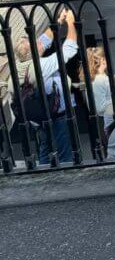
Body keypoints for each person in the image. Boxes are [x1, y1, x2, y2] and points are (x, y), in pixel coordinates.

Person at [13, 9, 79, 164]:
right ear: (34, 50)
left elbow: (43, 42)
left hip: (37, 117)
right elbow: (69, 48)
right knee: (64, 154)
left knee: (45, 150)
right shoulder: (42, 66)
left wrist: (57, 22)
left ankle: (43, 174)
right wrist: (71, 23)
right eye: (35, 43)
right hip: (57, 116)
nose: (40, 43)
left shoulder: (18, 64)